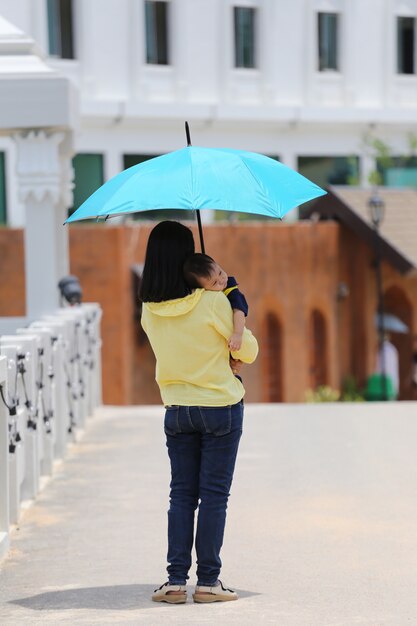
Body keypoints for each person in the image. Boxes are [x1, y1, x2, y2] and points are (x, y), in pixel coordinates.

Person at [140, 221, 258, 605]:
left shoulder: (149, 311)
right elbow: (249, 351)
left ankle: (175, 581)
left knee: (181, 496)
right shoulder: (213, 301)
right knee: (214, 497)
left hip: (177, 409)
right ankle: (208, 581)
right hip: (220, 407)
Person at [183, 253, 248, 351]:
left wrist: (237, 334)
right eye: (214, 283)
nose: (221, 280)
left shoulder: (230, 288)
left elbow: (239, 311)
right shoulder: (203, 298)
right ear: (202, 289)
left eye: (220, 272)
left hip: (235, 332)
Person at [376, 332, 399, 399]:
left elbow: (382, 368)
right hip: (389, 383)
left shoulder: (385, 350)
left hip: (386, 383)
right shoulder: (392, 349)